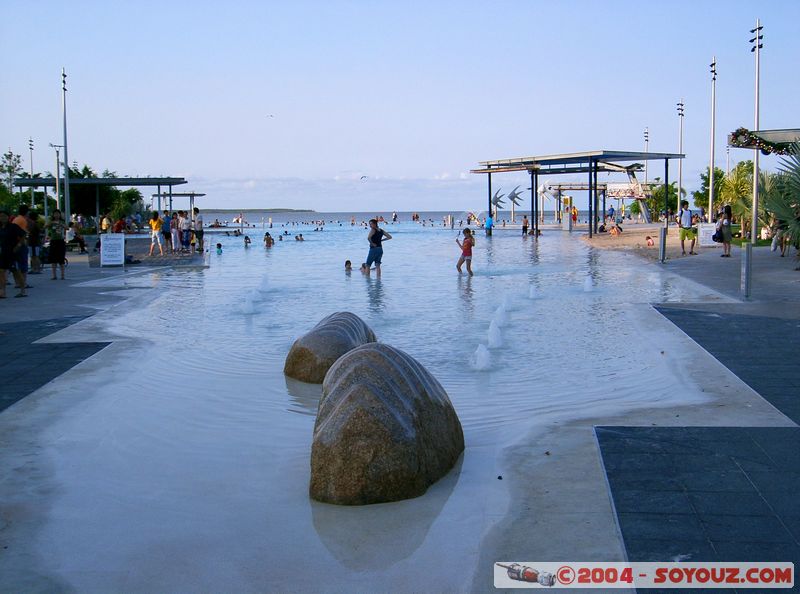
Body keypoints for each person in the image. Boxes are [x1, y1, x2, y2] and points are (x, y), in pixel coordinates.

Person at [0, 209, 28, 298]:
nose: (2, 218)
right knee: (1, 272)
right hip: (2, 253)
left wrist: (19, 245)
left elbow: (24, 234)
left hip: (13, 253)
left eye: (4, 216)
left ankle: (23, 291)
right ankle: (2, 292)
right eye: (0, 216)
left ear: (8, 217)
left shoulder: (13, 226)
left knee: (17, 271)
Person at [46, 210, 68, 279]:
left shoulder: (62, 222)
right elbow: (45, 226)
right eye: (55, 214)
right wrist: (51, 223)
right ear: (53, 215)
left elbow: (67, 228)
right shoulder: (51, 222)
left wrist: (61, 225)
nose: (56, 215)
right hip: (53, 241)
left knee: (61, 258)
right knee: (53, 259)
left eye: (58, 214)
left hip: (61, 241)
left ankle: (62, 275)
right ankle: (54, 275)